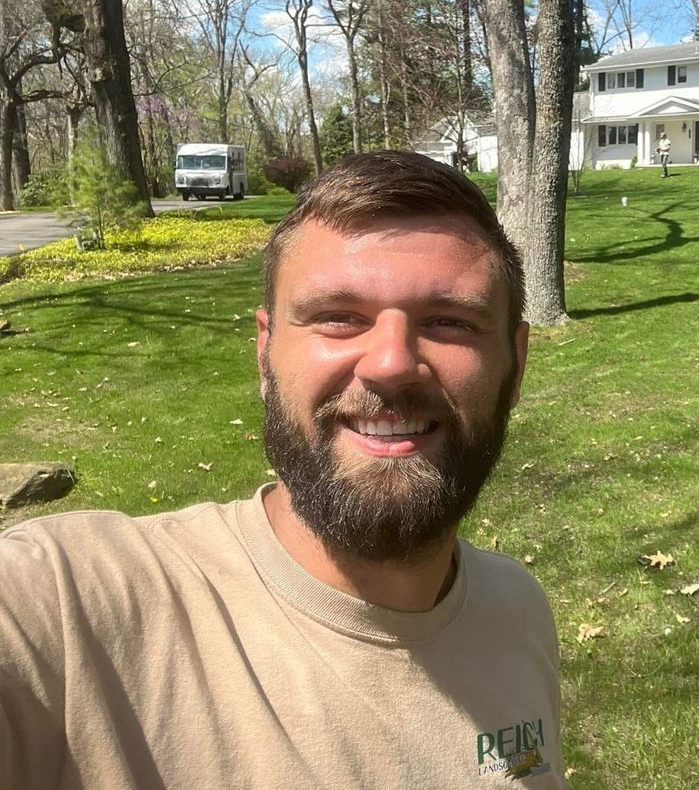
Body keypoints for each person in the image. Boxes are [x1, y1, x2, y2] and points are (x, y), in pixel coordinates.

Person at [0, 152, 563, 788]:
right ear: (265, 356)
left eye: (450, 323)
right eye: (338, 317)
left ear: (515, 364)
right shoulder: (66, 610)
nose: (390, 363)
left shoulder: (518, 610)